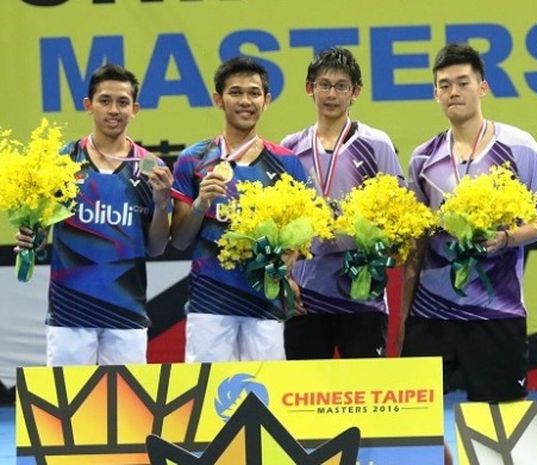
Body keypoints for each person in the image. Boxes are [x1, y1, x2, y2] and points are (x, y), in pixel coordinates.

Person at [400, 42, 537, 464]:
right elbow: (417, 244)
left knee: (504, 425)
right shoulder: (422, 158)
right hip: (431, 315)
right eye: (444, 85)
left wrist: (507, 238)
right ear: (435, 94)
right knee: (416, 419)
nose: (453, 91)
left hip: (496, 312)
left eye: (463, 83)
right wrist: (404, 315)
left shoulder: (518, 147)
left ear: (483, 87)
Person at [14, 64, 173, 366]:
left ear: (135, 108)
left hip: (127, 313)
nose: (114, 110)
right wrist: (29, 238)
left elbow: (156, 247)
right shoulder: (61, 161)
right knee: (68, 409)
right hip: (69, 314)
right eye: (105, 100)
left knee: (128, 409)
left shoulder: (151, 167)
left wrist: (162, 200)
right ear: (88, 105)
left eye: (123, 102)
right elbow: (39, 236)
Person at [170, 57, 307, 362]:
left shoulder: (287, 163)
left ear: (267, 100)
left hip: (265, 305)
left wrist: (287, 266)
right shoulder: (194, 159)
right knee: (208, 402)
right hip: (209, 305)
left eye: (254, 93)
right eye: (235, 92)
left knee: (265, 401)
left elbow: (304, 231)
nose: (246, 101)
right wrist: (199, 205)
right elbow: (178, 240)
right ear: (218, 99)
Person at [280, 47, 405, 359]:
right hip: (304, 295)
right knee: (305, 395)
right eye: (324, 85)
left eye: (341, 86)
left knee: (365, 395)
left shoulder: (377, 144)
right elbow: (278, 224)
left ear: (356, 92)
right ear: (310, 88)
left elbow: (398, 214)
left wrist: (381, 250)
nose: (331, 94)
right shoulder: (290, 148)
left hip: (362, 293)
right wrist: (284, 279)